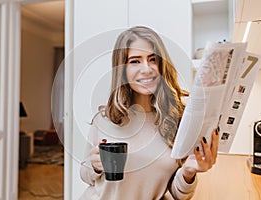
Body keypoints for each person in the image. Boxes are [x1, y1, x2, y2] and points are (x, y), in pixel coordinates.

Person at [79, 26, 219, 200]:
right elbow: (86, 176)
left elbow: (178, 193)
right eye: (135, 61)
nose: (147, 69)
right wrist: (95, 166)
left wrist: (188, 172)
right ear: (122, 70)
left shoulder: (177, 121)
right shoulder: (105, 120)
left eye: (152, 59)